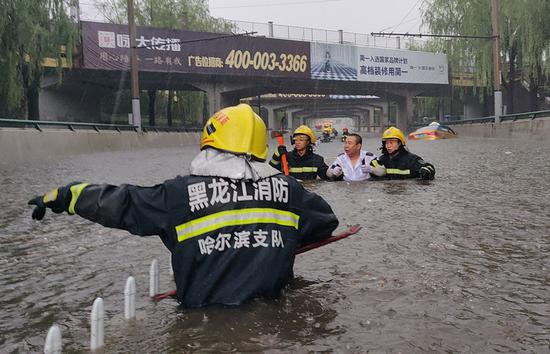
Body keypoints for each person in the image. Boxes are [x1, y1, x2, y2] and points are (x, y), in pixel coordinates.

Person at [28, 104, 339, 308]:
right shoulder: (288, 191)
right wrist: (276, 242)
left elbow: (122, 203)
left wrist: (68, 196)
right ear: (259, 148)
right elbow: (325, 223)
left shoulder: (178, 194)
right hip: (275, 313)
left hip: (199, 313)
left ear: (209, 143)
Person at [369, 126, 436, 180]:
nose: (388, 146)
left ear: (399, 143)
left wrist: (426, 171)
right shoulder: (382, 159)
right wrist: (372, 168)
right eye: (386, 143)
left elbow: (429, 167)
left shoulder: (411, 159)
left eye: (391, 142)